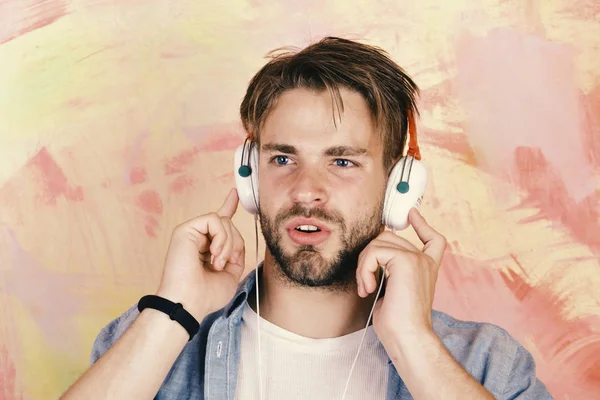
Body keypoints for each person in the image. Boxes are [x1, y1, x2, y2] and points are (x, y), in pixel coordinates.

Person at [61, 37, 552, 399]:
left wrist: (413, 341)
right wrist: (175, 311)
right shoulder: (158, 338)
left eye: (342, 161)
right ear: (250, 177)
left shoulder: (485, 363)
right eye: (282, 158)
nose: (305, 190)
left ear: (399, 186)